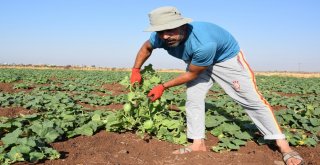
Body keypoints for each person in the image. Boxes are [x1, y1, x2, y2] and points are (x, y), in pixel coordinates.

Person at [130, 6, 304, 165]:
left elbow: (192, 73)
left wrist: (163, 86)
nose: (165, 36)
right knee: (193, 99)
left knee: (251, 100)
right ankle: (198, 143)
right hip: (196, 62)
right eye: (160, 32)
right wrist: (136, 70)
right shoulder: (159, 37)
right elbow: (146, 48)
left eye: (169, 30)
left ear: (182, 25)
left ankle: (283, 145)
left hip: (225, 60)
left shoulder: (204, 42)